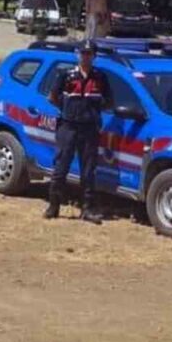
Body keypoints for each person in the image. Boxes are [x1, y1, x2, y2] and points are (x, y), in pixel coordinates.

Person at [46, 39, 112, 223]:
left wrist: (92, 113)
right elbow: (52, 97)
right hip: (68, 127)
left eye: (89, 54)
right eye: (83, 53)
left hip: (89, 128)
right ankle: (54, 206)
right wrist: (68, 110)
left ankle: (88, 209)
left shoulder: (100, 78)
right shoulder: (67, 75)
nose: (86, 57)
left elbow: (109, 101)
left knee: (88, 170)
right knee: (61, 167)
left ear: (94, 56)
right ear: (78, 55)